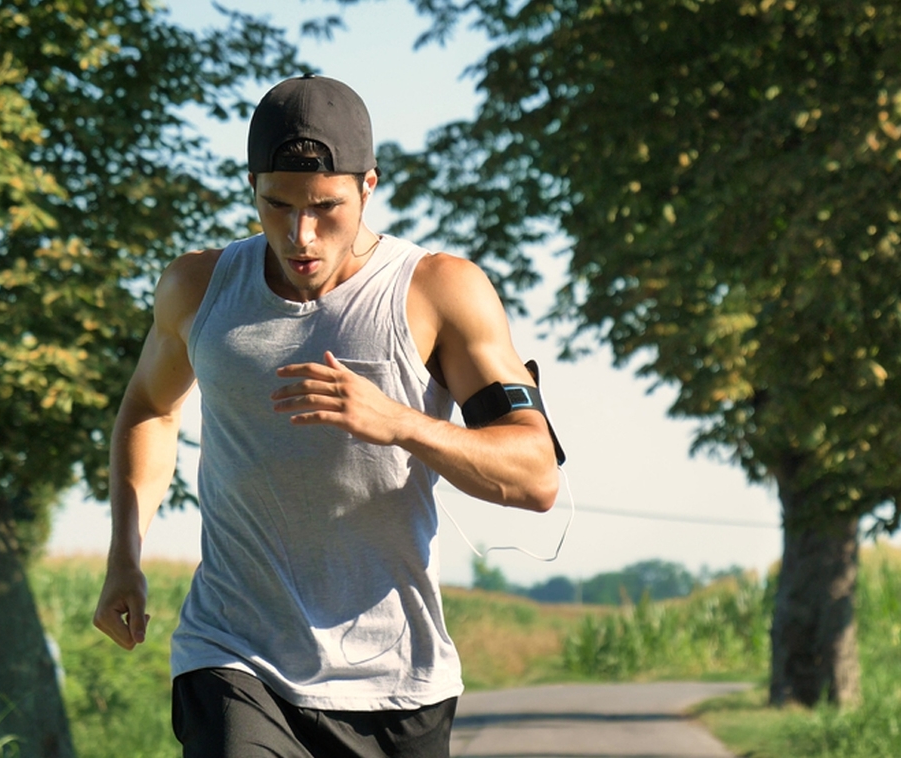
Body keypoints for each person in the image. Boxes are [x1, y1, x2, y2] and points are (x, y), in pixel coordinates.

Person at [93, 73, 563, 757]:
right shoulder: (197, 288)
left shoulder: (439, 291)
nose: (300, 235)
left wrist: (399, 422)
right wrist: (124, 555)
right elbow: (148, 407)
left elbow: (536, 474)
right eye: (277, 205)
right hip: (232, 652)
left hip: (395, 681)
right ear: (251, 187)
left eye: (325, 207)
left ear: (368, 186)